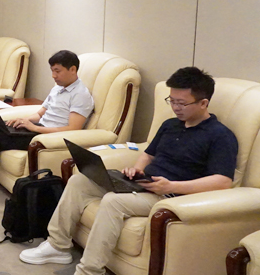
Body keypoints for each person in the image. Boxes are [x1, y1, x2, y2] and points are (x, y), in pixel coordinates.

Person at [19, 67, 238, 275]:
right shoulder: (170, 125)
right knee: (80, 181)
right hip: (144, 183)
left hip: (171, 195)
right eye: (172, 101)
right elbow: (148, 154)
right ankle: (57, 246)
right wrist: (136, 169)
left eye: (182, 103)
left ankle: (90, 270)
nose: (175, 107)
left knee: (113, 201)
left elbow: (223, 181)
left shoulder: (220, 136)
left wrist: (171, 186)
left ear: (203, 103)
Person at [0, 50, 94, 202]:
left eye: (57, 71)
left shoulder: (80, 95)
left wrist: (35, 128)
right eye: (52, 71)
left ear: (72, 69)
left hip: (47, 137)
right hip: (38, 128)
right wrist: (23, 120)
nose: (53, 75)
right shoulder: (57, 88)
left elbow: (73, 129)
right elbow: (40, 114)